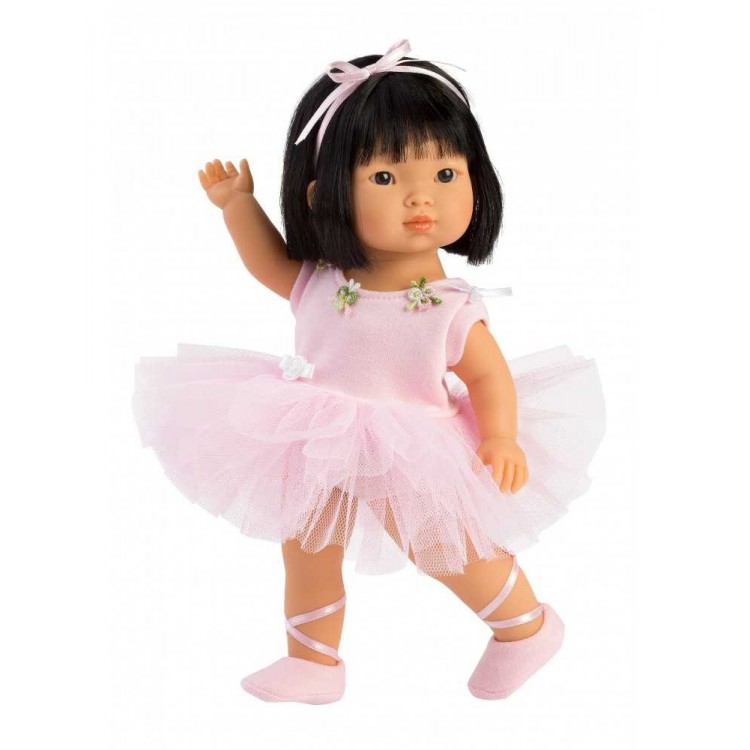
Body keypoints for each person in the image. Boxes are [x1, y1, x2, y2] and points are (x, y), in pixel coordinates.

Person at [132, 39, 606, 704]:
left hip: (413, 444)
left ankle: (523, 627)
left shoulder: (448, 308)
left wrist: (500, 436)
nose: (421, 197)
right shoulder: (325, 282)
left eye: (446, 173)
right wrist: (239, 205)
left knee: (442, 547)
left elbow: (488, 377)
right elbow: (270, 265)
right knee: (306, 545)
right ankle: (313, 661)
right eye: (385, 178)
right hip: (313, 432)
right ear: (323, 194)